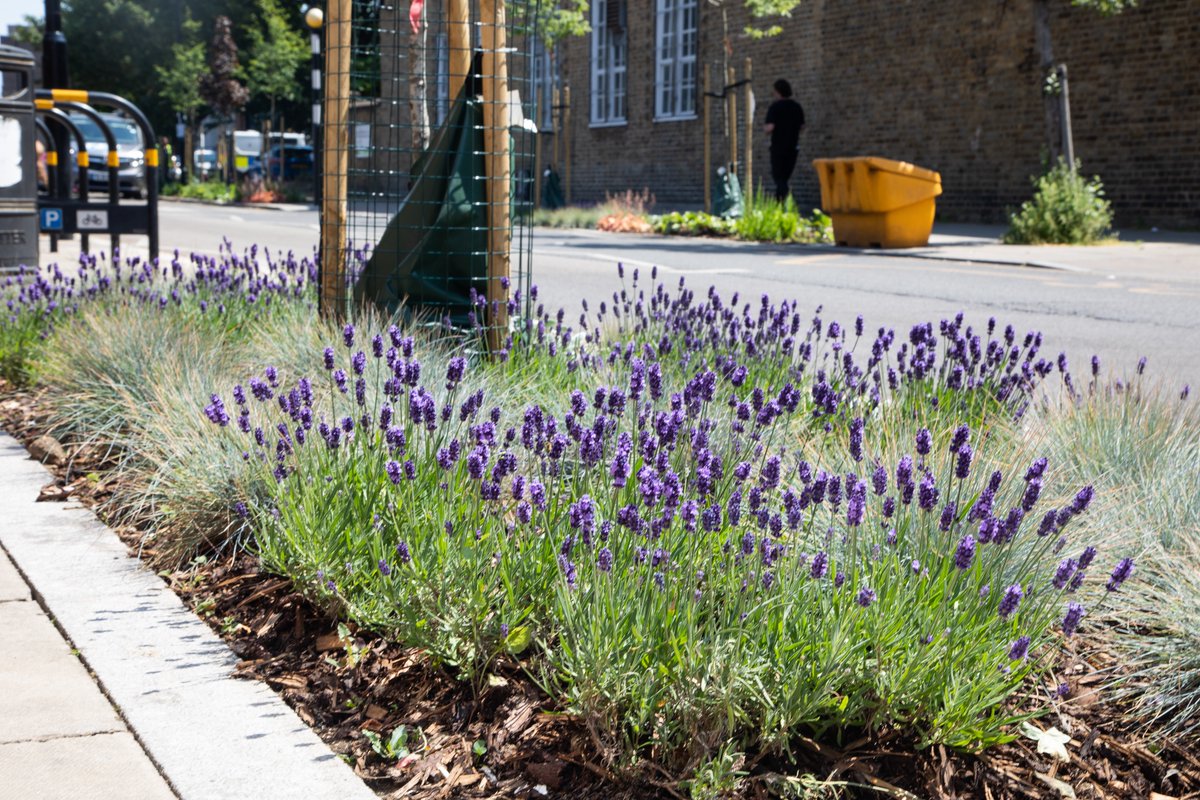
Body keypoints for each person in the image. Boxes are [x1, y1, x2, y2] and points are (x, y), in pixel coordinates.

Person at [763, 79, 805, 203]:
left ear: (778, 92)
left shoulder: (775, 107)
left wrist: (765, 129)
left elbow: (769, 127)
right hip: (793, 146)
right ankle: (780, 204)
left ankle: (780, 203)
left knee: (778, 177)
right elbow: (802, 126)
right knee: (785, 177)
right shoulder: (797, 107)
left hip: (778, 147)